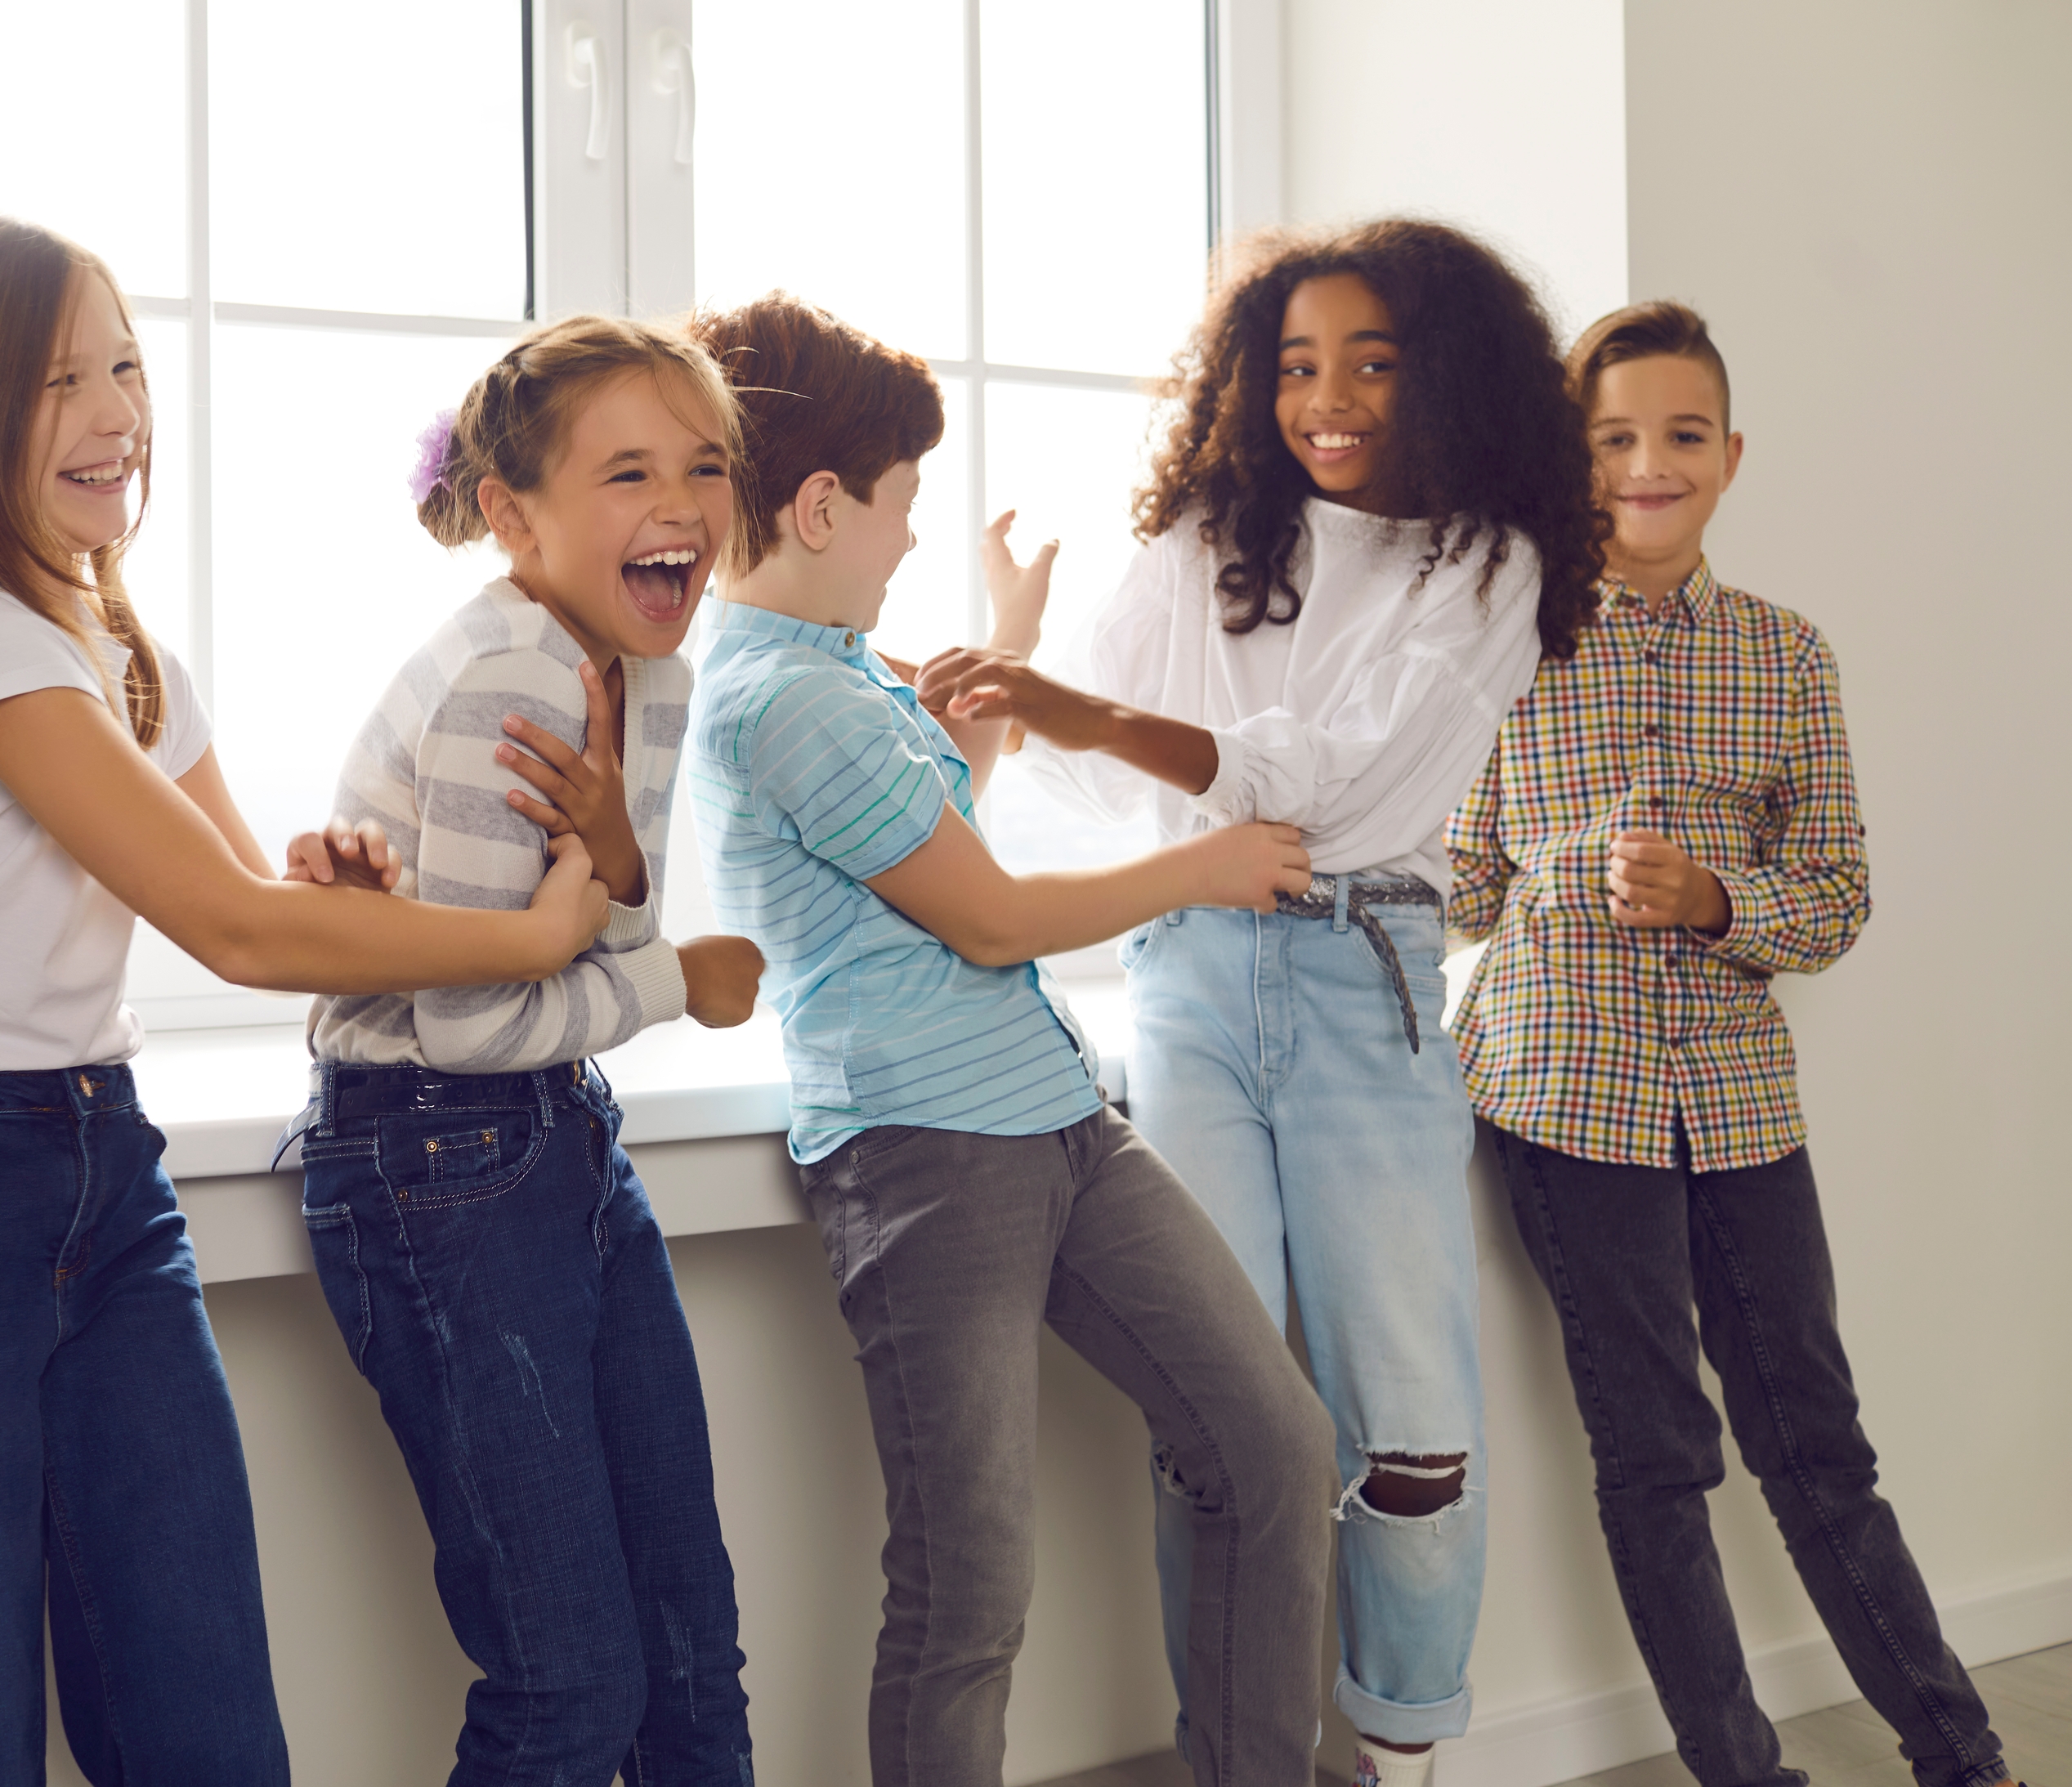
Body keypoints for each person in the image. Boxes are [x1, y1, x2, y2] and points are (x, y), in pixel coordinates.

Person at [0, 212, 607, 1786]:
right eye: (57, 380)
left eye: (124, 363)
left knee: (201, 1721)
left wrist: (325, 885)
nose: (117, 409)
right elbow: (239, 933)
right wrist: (535, 938)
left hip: (105, 1179)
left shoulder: (120, 651)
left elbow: (246, 908)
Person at [920, 221, 1609, 1785]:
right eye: (1295, 364)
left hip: (1366, 982)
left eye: (1372, 360)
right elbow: (1070, 782)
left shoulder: (1486, 560)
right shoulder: (1196, 550)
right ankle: (1241, 1755)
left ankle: (1402, 1756)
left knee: (1411, 1427)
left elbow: (1327, 772)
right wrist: (1017, 662)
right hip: (1188, 986)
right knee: (1216, 1417)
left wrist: (1081, 710)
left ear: (1451, 375)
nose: (1329, 398)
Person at [679, 291, 1333, 1787]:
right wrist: (1206, 862)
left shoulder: (842, 667)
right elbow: (986, 918)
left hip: (1056, 1123)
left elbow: (933, 819)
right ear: (825, 503)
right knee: (969, 1591)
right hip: (925, 1156)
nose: (912, 537)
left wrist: (1014, 636)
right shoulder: (784, 695)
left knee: (1274, 1448)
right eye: (903, 505)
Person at [1451, 300, 2023, 1787]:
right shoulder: (1499, 645)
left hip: (1743, 1105)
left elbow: (1838, 894)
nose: (1650, 464)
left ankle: (1966, 1757)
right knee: (1656, 1458)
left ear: (1730, 454)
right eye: (1614, 437)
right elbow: (1454, 884)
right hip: (1566, 1099)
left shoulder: (1788, 656)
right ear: (1571, 461)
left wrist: (1716, 899)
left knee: (1819, 1448)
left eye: (1681, 435)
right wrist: (1568, 883)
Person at [286, 315, 764, 1787]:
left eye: (704, 465)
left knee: (693, 1653)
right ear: (513, 511)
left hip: (556, 1135)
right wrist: (679, 979)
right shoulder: (519, 680)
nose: (681, 505)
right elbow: (487, 1012)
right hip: (441, 1152)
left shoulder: (645, 670)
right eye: (628, 472)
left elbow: (578, 952)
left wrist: (622, 911)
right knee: (572, 1684)